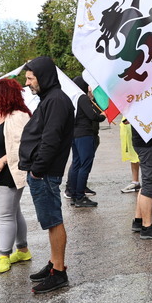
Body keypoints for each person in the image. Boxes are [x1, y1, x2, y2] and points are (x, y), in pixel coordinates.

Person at [19, 57, 76, 294]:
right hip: (43, 172)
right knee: (51, 221)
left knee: (53, 221)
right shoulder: (50, 99)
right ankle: (54, 263)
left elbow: (50, 140)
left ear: (43, 77)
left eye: (31, 78)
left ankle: (59, 272)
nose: (28, 83)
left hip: (46, 173)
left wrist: (38, 170)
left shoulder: (56, 100)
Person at [0, 78, 32, 274]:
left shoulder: (18, 116)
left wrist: (2, 160)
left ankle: (4, 256)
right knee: (13, 212)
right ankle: (23, 250)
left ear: (5, 95)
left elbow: (22, 145)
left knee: (4, 215)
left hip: (10, 173)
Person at [64, 76, 106, 208]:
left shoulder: (72, 98)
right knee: (85, 165)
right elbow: (92, 116)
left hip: (74, 134)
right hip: (85, 134)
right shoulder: (82, 98)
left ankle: (74, 195)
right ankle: (80, 196)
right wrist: (103, 116)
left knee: (76, 163)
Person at [119, 117, 141, 193]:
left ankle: (142, 182)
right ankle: (135, 181)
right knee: (133, 156)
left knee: (138, 155)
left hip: (136, 127)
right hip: (128, 127)